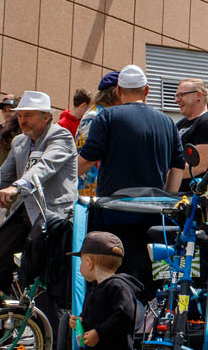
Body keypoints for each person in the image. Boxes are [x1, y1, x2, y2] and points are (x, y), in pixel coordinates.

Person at [77, 64, 185, 299]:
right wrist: (166, 198)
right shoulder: (167, 122)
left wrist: (64, 181)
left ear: (118, 91)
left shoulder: (108, 116)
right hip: (153, 214)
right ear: (146, 90)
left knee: (112, 273)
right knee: (148, 274)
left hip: (113, 212)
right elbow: (179, 165)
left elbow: (86, 160)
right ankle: (145, 324)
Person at [0, 90, 78, 300]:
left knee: (41, 278)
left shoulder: (60, 136)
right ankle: (1, 326)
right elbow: (1, 175)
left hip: (51, 214)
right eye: (21, 115)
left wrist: (16, 188)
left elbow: (44, 167)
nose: (22, 120)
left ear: (46, 116)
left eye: (29, 115)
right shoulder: (19, 142)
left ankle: (44, 327)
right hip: (24, 211)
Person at [175, 78, 208, 182]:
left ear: (198, 96)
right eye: (177, 95)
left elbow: (198, 167)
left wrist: (163, 175)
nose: (177, 99)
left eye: (181, 95)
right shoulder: (181, 124)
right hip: (184, 195)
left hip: (205, 195)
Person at [75, 74, 120, 195]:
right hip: (92, 189)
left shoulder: (101, 113)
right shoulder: (96, 116)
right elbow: (88, 157)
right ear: (116, 93)